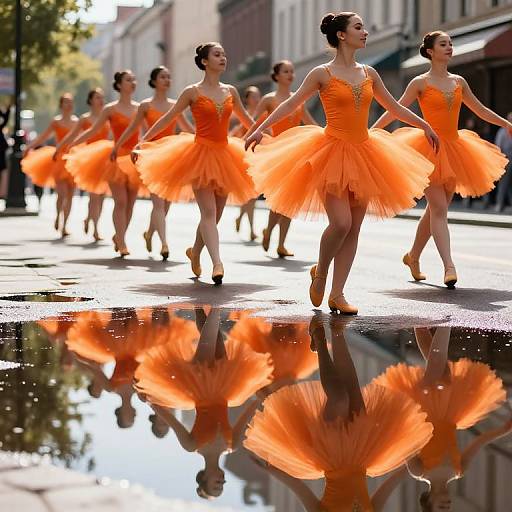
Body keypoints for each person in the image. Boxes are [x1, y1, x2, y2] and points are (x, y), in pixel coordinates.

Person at [245, 12, 437, 314]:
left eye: (364, 27)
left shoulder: (370, 73)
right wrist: (259, 128)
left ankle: (338, 293)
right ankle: (320, 271)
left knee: (354, 228)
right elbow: (292, 103)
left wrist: (425, 125)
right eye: (358, 27)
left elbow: (395, 106)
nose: (365, 32)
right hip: (330, 152)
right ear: (341, 36)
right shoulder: (322, 73)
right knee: (341, 222)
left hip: (366, 153)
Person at [244, 314, 434, 511]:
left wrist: (272, 469)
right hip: (364, 452)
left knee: (339, 399)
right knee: (351, 386)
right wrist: (409, 453)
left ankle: (319, 341)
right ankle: (337, 330)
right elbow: (390, 486)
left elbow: (300, 489)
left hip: (330, 454)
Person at [372, 31, 511, 288]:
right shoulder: (419, 83)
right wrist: (373, 131)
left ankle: (413, 256)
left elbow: (479, 109)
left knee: (437, 209)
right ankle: (449, 266)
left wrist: (504, 122)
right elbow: (396, 108)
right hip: (426, 150)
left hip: (455, 149)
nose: (449, 48)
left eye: (450, 44)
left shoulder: (459, 82)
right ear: (430, 51)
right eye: (443, 44)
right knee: (439, 208)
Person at [133, 43, 256, 284]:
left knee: (216, 215)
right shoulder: (192, 92)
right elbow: (169, 117)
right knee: (208, 213)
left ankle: (196, 251)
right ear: (204, 62)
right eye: (217, 55)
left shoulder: (231, 90)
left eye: (224, 54)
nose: (223, 58)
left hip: (226, 155)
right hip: (199, 155)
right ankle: (217, 263)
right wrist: (143, 141)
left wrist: (261, 133)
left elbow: (246, 119)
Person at [134, 307, 274, 499]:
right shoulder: (232, 445)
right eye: (222, 487)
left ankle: (215, 304)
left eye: (216, 486)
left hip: (200, 386)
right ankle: (201, 306)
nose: (221, 483)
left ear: (204, 478)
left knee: (208, 338)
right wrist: (259, 399)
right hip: (226, 387)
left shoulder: (191, 445)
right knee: (215, 337)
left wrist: (148, 399)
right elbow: (246, 417)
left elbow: (170, 420)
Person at [374, 326, 510, 512]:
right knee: (441, 369)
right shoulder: (458, 471)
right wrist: (502, 430)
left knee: (439, 368)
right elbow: (478, 442)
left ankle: (446, 320)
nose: (447, 505)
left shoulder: (419, 471)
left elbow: (403, 442)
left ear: (429, 502)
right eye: (449, 507)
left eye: (441, 507)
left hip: (426, 410)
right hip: (449, 413)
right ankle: (421, 326)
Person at [112, 66, 194, 260]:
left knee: (166, 205)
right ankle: (164, 244)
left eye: (169, 77)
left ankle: (149, 233)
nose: (167, 80)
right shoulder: (145, 105)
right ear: (154, 81)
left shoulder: (176, 104)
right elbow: (134, 128)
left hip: (172, 158)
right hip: (151, 157)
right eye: (163, 77)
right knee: (157, 203)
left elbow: (187, 128)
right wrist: (118, 146)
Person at [68, 70, 141, 256]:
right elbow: (93, 130)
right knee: (121, 201)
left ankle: (120, 235)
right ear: (119, 85)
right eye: (128, 80)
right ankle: (122, 242)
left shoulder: (140, 108)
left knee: (131, 203)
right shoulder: (110, 109)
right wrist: (73, 143)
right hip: (115, 158)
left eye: (134, 80)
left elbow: (147, 132)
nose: (132, 82)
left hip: (134, 158)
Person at [250, 60, 317, 258]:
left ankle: (281, 244)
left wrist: (325, 134)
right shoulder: (269, 99)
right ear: (276, 75)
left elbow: (309, 122)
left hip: (297, 153)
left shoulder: (299, 99)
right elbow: (255, 122)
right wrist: (254, 137)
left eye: (291, 71)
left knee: (291, 199)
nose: (290, 75)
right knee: (279, 200)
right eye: (286, 71)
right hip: (278, 153)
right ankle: (269, 231)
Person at [56, 88, 110, 242]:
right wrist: (61, 148)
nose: (101, 100)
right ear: (91, 100)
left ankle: (89, 220)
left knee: (102, 197)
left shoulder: (107, 117)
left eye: (102, 97)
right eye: (97, 97)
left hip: (104, 160)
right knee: (93, 195)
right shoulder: (84, 119)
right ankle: (95, 230)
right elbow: (72, 135)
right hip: (90, 160)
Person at [22, 93, 78, 237]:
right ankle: (58, 215)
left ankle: (65, 224)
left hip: (72, 160)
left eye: (70, 102)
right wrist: (30, 147)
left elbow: (83, 138)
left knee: (70, 195)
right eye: (66, 102)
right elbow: (44, 136)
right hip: (58, 159)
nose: (69, 105)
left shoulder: (77, 122)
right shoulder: (56, 121)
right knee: (62, 194)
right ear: (61, 105)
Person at [232, 86, 262, 242]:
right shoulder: (244, 115)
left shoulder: (262, 114)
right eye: (254, 96)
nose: (257, 99)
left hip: (257, 158)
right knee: (250, 197)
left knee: (253, 197)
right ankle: (251, 230)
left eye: (258, 96)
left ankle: (242, 220)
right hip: (245, 159)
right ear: (247, 99)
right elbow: (235, 135)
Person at [494, 112, 512, 212]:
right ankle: (499, 204)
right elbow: (498, 145)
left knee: (509, 184)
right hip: (505, 158)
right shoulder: (502, 131)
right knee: (504, 183)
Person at [0, 104, 11, 199]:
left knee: (2, 172)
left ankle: (2, 192)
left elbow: (5, 120)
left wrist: (7, 109)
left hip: (1, 153)